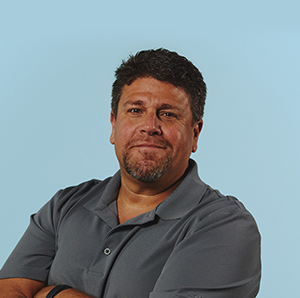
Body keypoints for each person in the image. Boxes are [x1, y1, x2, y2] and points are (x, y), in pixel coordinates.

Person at [0, 48, 261, 298]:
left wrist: (53, 293)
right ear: (114, 125)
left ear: (195, 133)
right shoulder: (64, 206)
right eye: (136, 110)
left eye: (168, 114)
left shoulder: (225, 226)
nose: (150, 126)